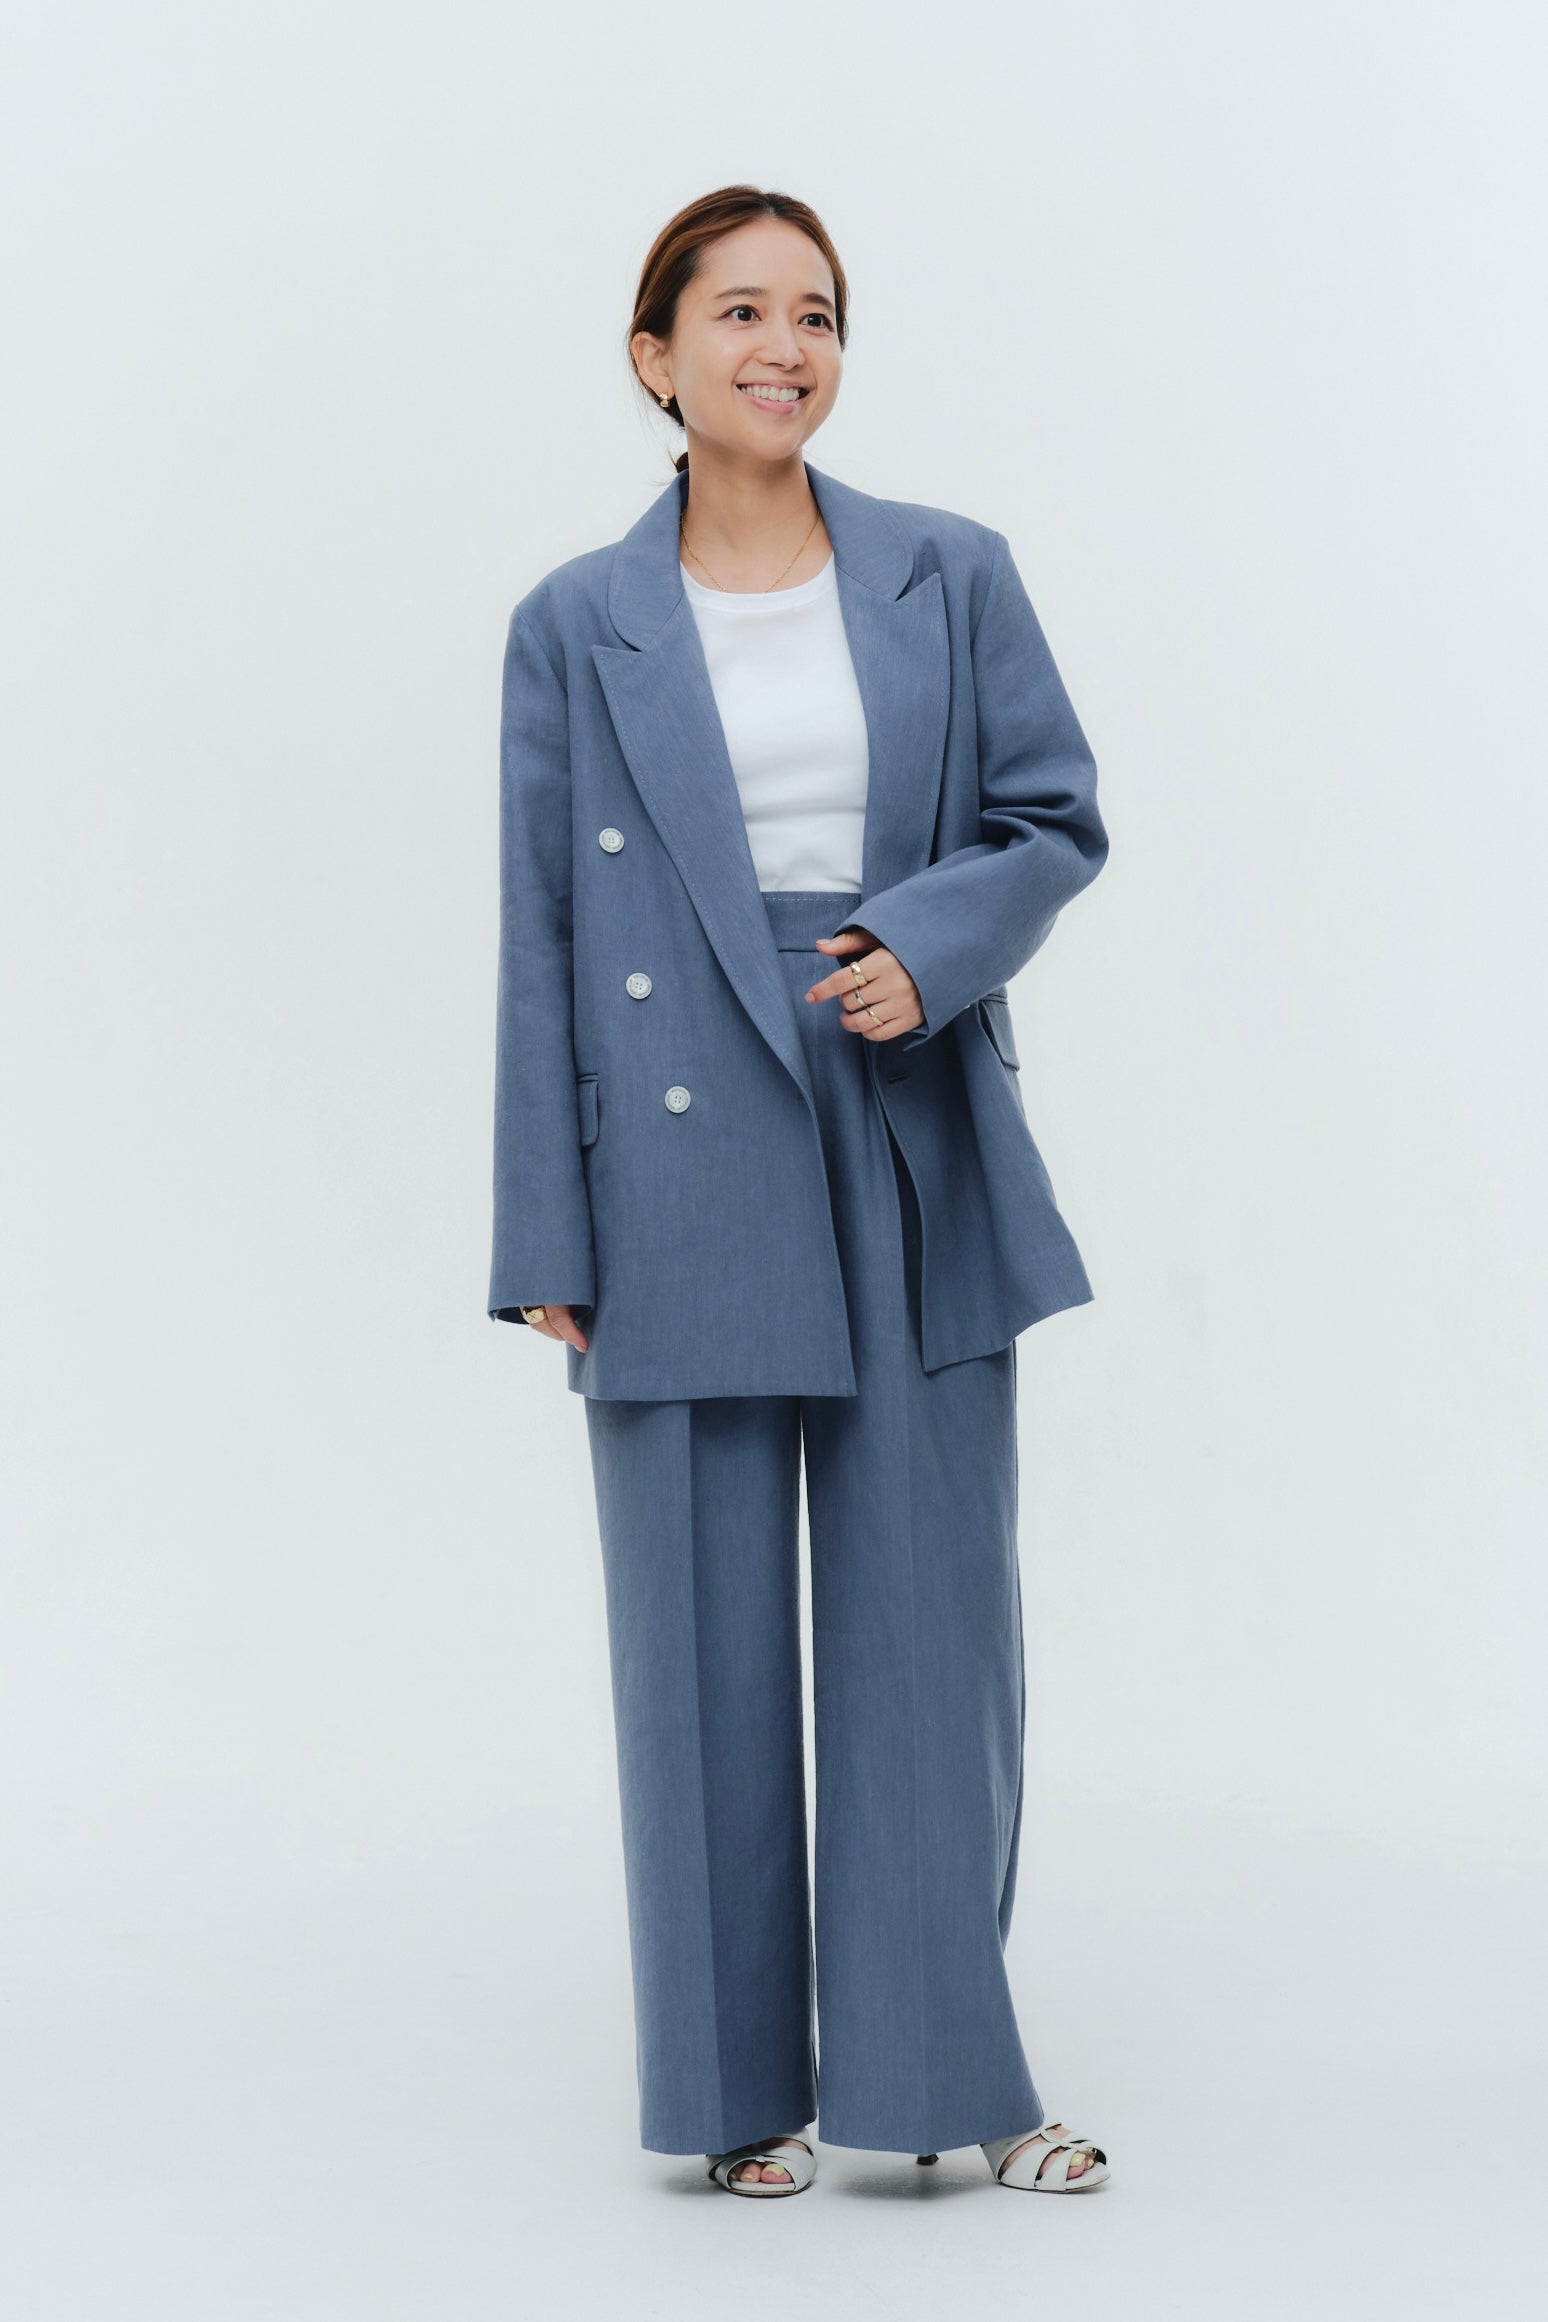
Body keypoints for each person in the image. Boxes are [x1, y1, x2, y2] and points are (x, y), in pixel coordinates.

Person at [488, 184, 1111, 2198]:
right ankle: (733, 2090)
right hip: (671, 1149)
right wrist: (543, 1229)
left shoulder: (951, 569)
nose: (787, 344)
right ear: (656, 355)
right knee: (696, 1638)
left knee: (933, 1618)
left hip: (901, 1096)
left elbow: (1051, 818)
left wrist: (928, 943)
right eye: (741, 310)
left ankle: (945, 2080)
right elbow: (538, 938)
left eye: (818, 312)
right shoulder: (572, 621)